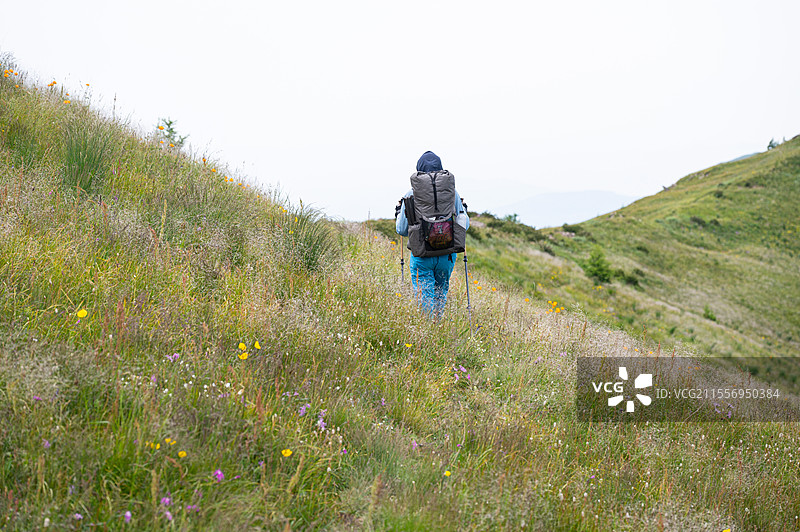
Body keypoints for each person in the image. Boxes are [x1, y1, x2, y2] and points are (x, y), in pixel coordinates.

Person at [395, 151, 469, 318]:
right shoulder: (452, 192)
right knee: (440, 293)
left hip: (422, 253)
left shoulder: (411, 193)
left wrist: (400, 211)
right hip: (447, 254)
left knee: (425, 297)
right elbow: (465, 224)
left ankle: (428, 332)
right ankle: (437, 324)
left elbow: (401, 229)